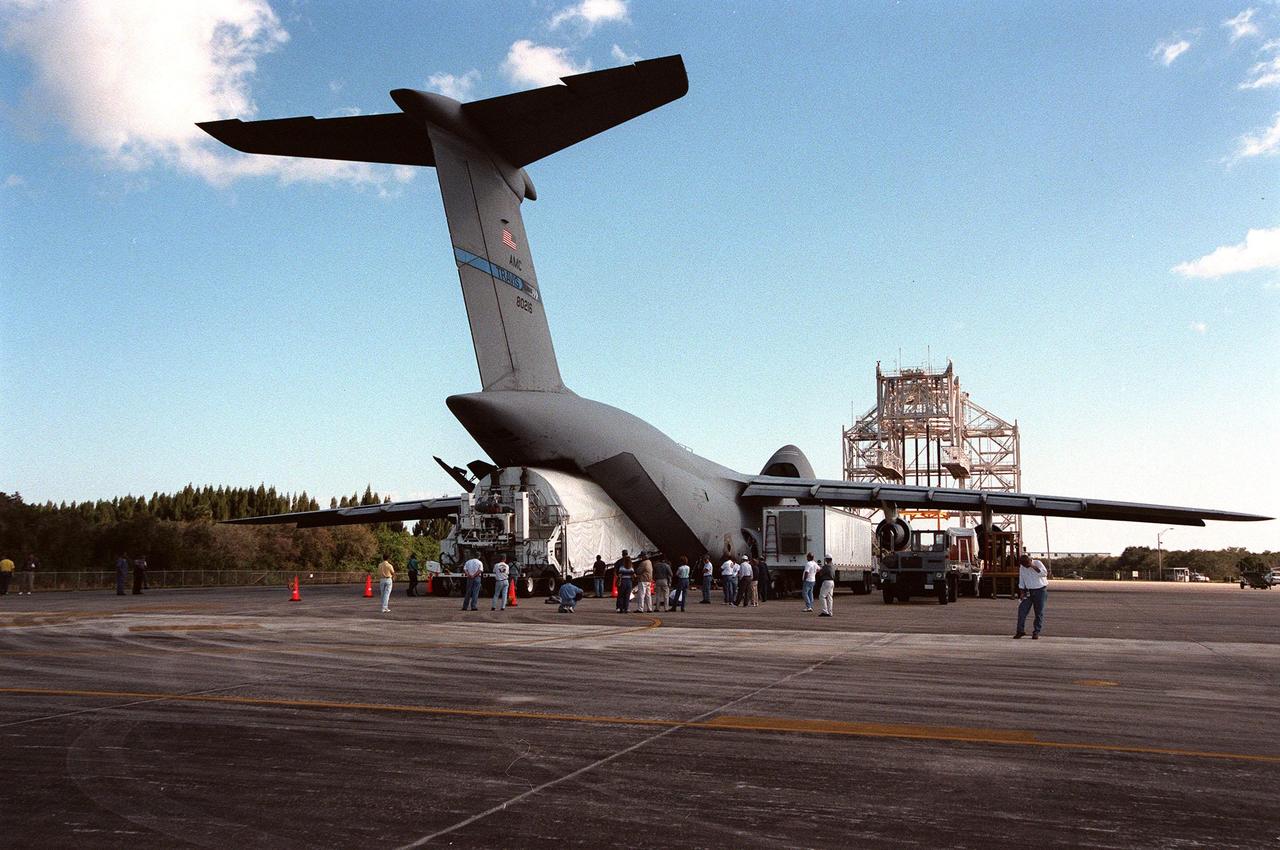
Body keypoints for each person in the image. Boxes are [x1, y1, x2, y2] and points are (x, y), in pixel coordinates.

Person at [1015, 553, 1049, 639]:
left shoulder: (1037, 563)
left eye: (1027, 564)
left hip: (1040, 590)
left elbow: (1044, 573)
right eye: (1023, 565)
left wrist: (1032, 566)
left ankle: (1036, 632)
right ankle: (1020, 631)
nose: (1026, 567)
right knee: (1022, 611)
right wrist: (1022, 592)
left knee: (1039, 612)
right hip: (1028, 591)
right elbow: (1021, 580)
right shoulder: (1022, 568)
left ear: (1030, 561)